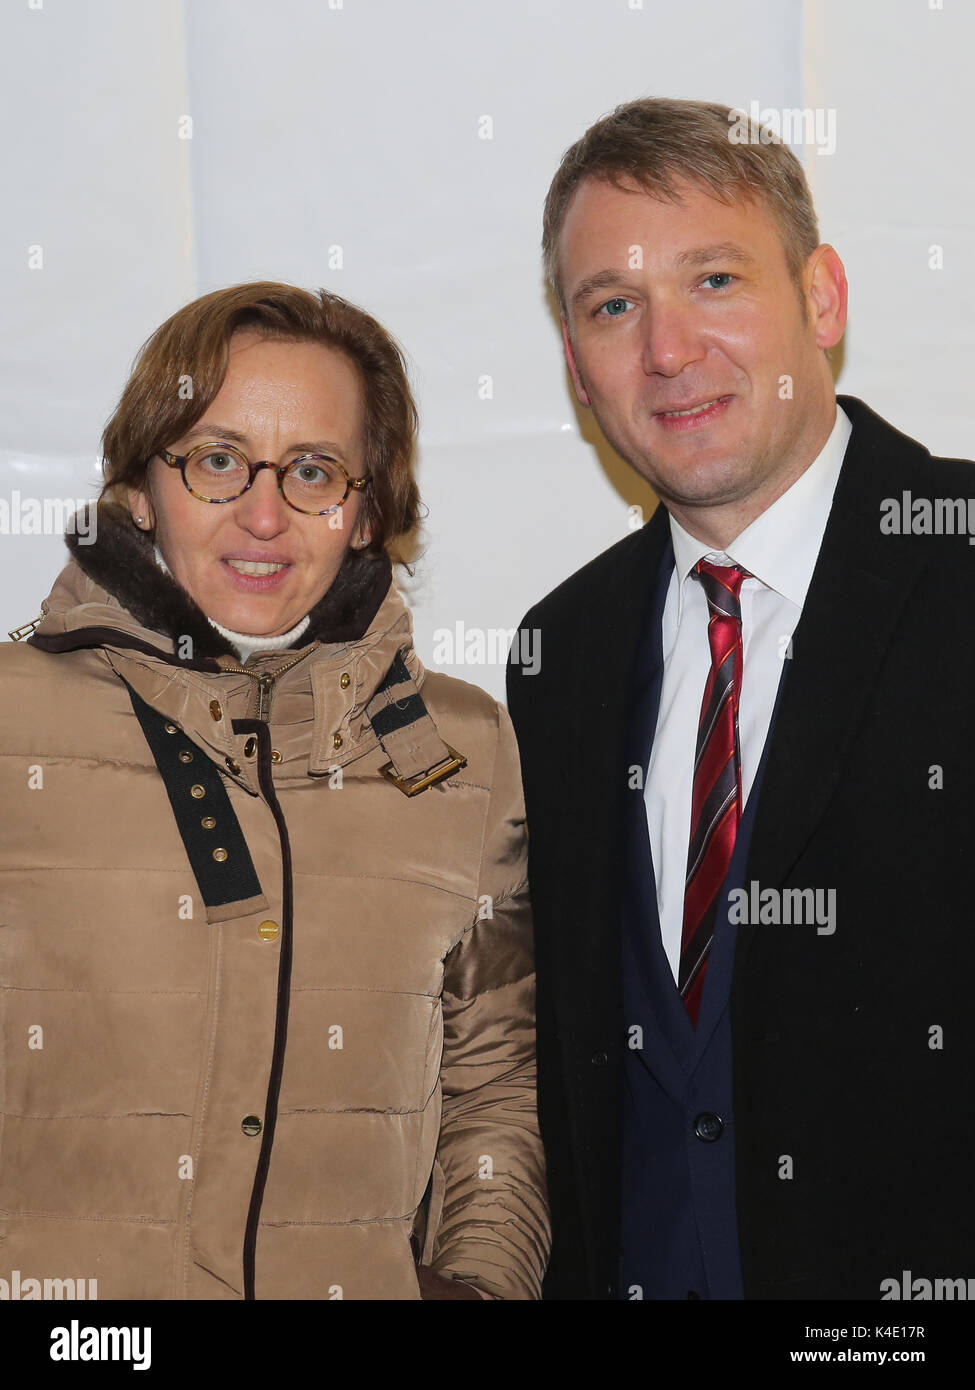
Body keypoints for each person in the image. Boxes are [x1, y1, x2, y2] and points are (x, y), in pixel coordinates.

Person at [506, 97, 975, 1300]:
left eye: (714, 279)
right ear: (575, 364)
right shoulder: (559, 652)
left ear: (822, 299)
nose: (666, 350)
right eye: (613, 304)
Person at [0, 281, 549, 1300]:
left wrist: (479, 1289)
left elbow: (496, 1088)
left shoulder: (464, 752)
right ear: (137, 488)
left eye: (312, 470)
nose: (264, 514)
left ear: (368, 508)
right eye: (217, 459)